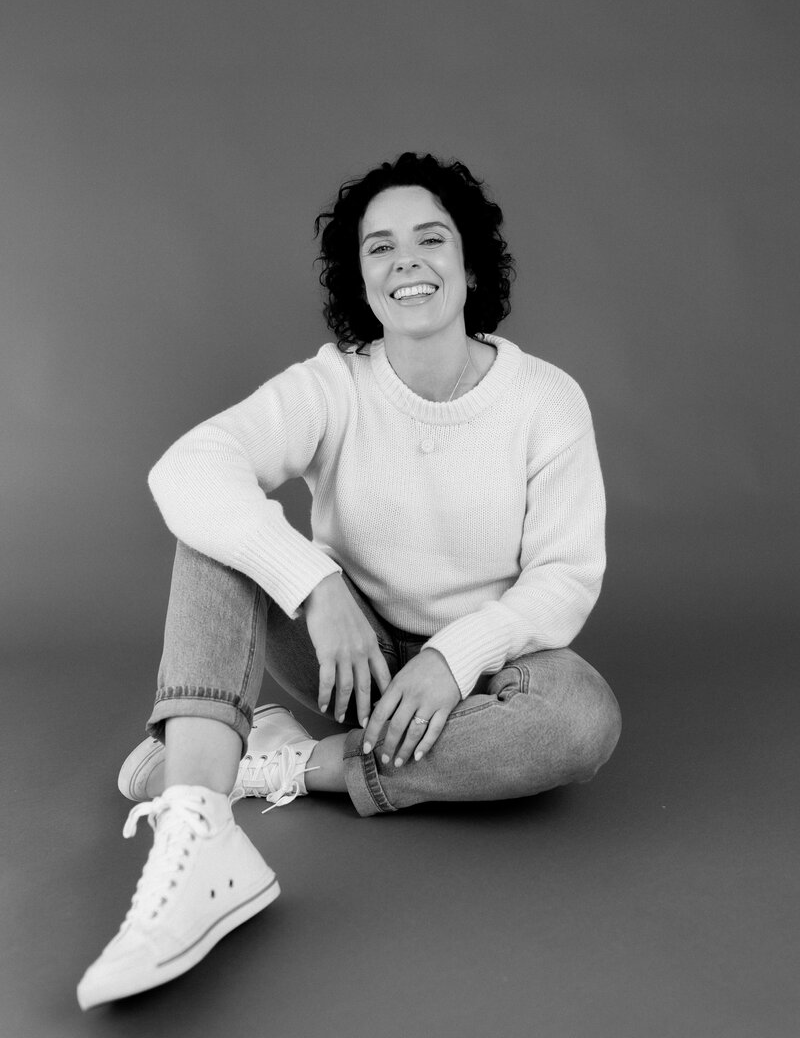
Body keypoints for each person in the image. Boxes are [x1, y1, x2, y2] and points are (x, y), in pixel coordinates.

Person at [77, 151, 621, 1010]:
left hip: (475, 679)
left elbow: (564, 578)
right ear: (360, 281)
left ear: (469, 264)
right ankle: (197, 831)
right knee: (215, 524)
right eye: (380, 248)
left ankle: (275, 768)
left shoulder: (546, 400)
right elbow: (187, 468)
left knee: (582, 719)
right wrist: (314, 584)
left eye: (431, 238)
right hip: (348, 662)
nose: (407, 260)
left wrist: (452, 656)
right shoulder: (336, 382)